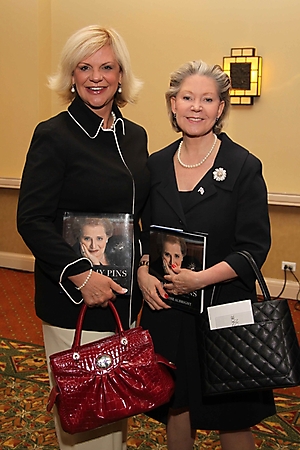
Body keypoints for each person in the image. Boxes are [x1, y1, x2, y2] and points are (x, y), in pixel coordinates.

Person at [17, 25, 150, 450]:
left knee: (116, 414)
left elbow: (137, 215)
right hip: (75, 300)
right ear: (71, 76)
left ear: (121, 74)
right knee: (87, 419)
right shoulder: (54, 135)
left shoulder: (135, 136)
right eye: (85, 67)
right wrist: (81, 276)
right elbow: (32, 219)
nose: (97, 77)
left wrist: (144, 266)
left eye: (107, 67)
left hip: (123, 298)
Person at [137, 60, 275, 450]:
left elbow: (253, 249)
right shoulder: (156, 165)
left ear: (220, 108)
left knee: (233, 416)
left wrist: (199, 279)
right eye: (187, 97)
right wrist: (145, 272)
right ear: (173, 104)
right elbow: (146, 236)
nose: (196, 107)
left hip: (224, 310)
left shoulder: (243, 165)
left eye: (207, 99)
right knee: (176, 407)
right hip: (169, 311)